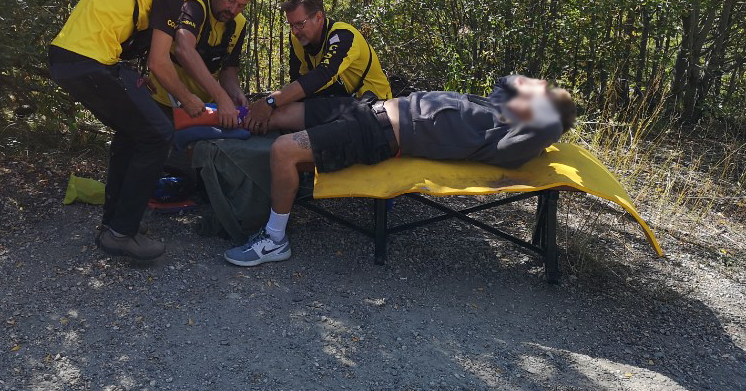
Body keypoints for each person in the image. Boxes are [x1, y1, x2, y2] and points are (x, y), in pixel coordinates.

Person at [224, 75, 577, 266]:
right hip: (369, 110)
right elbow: (505, 83)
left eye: (545, 94)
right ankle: (218, 128)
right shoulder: (498, 110)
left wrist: (556, 114)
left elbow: (532, 137)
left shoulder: (515, 133)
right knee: (283, 112)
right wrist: (534, 89)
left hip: (377, 132)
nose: (539, 87)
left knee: (283, 151)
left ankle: (274, 240)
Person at [48, 0, 225, 261]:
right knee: (159, 134)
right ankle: (121, 233)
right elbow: (161, 62)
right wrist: (190, 100)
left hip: (67, 57)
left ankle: (114, 223)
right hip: (90, 62)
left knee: (134, 132)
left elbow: (120, 28)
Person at [244, 0, 392, 134]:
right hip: (337, 105)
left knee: (282, 114)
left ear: (319, 17)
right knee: (282, 112)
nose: (295, 31)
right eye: (291, 25)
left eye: (300, 24)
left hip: (374, 109)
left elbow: (324, 75)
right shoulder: (298, 40)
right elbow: (298, 80)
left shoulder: (343, 36)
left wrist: (271, 101)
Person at [150, 0, 256, 130]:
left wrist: (235, 94)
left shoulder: (239, 23)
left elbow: (228, 68)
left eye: (241, 5)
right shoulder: (194, 8)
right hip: (166, 99)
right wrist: (221, 97)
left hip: (205, 107)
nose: (233, 9)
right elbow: (184, 50)